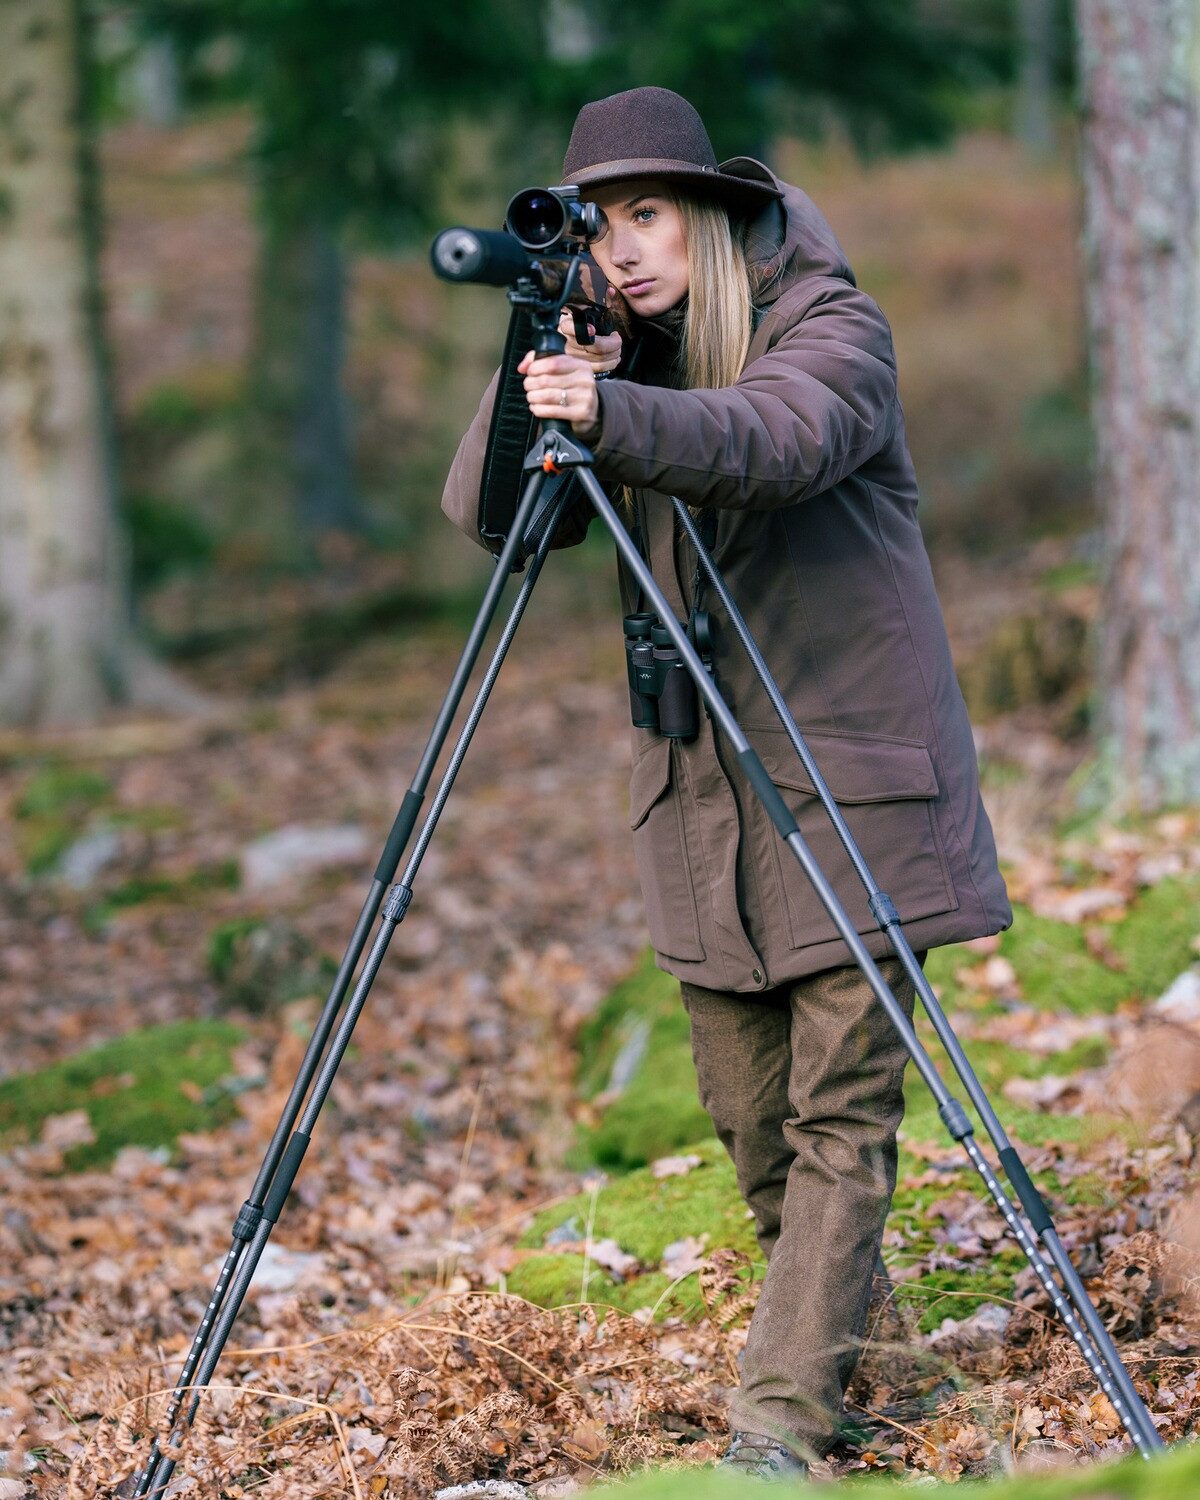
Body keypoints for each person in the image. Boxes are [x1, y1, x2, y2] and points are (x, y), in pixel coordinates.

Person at [441, 86, 1012, 1480]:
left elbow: (773, 443)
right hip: (707, 815)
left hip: (853, 796)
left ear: (711, 215)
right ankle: (882, 1383)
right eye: (602, 224)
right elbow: (497, 521)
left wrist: (617, 409)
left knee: (838, 1123)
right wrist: (545, 355)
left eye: (649, 214)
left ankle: (778, 1436)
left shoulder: (832, 328)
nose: (625, 246)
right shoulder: (622, 362)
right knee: (755, 1129)